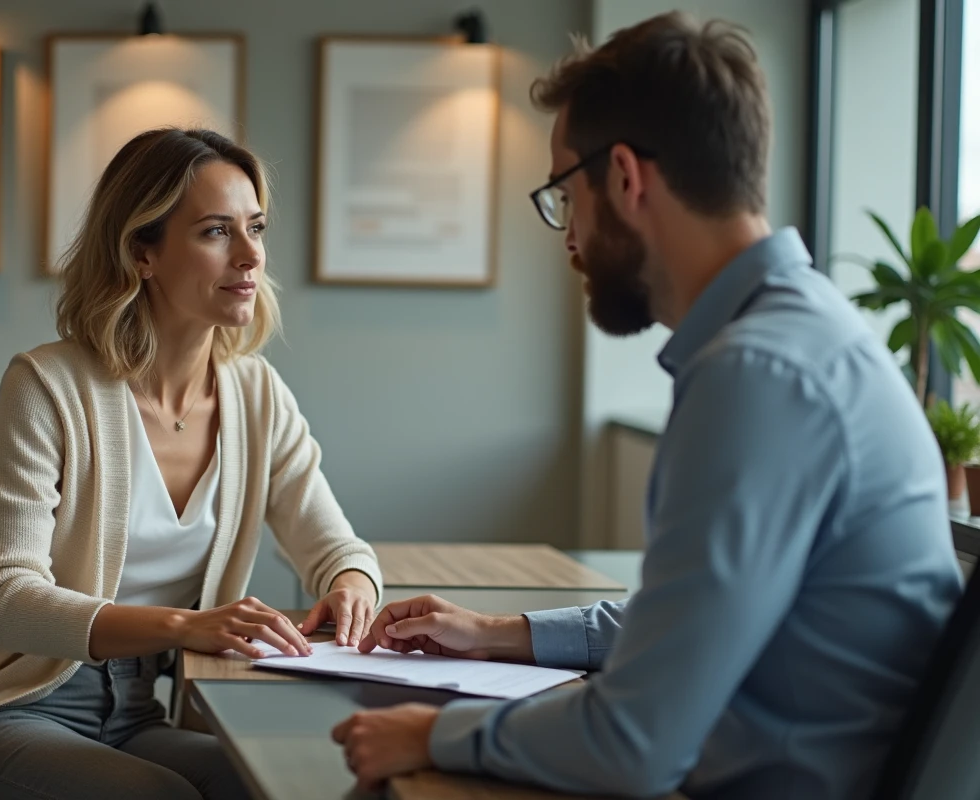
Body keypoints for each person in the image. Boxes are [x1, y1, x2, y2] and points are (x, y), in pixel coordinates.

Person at [331, 12, 964, 799]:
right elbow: (692, 615)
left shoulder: (759, 377)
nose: (566, 237)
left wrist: (431, 731)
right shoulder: (801, 339)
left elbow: (633, 743)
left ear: (625, 178)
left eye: (565, 192)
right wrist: (503, 635)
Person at [0, 127, 383, 800]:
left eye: (256, 227)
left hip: (136, 712)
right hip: (13, 708)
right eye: (217, 232)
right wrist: (189, 627)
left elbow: (334, 546)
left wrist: (353, 588)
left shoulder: (256, 393)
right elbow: (3, 599)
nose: (251, 256)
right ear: (142, 252)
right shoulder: (48, 385)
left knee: (283, 783)